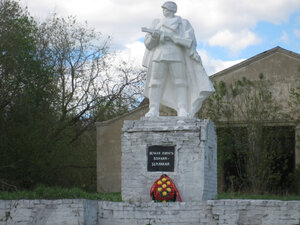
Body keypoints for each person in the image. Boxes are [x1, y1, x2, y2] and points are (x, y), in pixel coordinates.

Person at [142, 1, 215, 117]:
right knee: (155, 83)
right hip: (159, 55)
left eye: (166, 9)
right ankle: (153, 109)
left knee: (180, 82)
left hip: (176, 55)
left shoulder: (183, 23)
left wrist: (174, 38)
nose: (164, 11)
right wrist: (154, 38)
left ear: (172, 10)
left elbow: (190, 41)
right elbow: (149, 44)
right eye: (163, 9)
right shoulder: (156, 23)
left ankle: (182, 109)